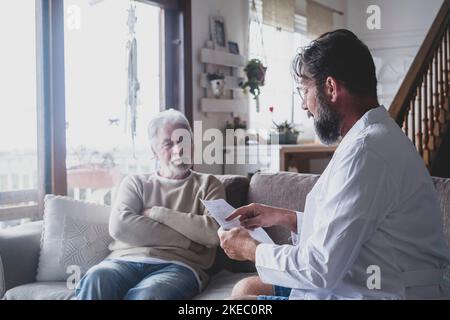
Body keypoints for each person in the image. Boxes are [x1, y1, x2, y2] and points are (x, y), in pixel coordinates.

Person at [219, 29, 450, 300]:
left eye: (305, 90)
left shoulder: (366, 152)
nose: (305, 106)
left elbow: (319, 267)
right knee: (247, 288)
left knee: (242, 298)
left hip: (379, 291)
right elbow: (351, 227)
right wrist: (287, 218)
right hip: (364, 278)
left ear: (330, 88)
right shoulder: (373, 136)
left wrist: (250, 249)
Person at [76, 109, 225, 300]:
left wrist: (157, 213)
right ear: (154, 151)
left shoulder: (209, 185)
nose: (178, 149)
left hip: (179, 266)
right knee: (96, 278)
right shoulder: (135, 183)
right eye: (168, 144)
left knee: (149, 294)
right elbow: (120, 226)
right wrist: (187, 241)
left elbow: (214, 234)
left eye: (183, 141)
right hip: (124, 261)